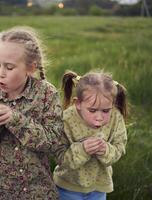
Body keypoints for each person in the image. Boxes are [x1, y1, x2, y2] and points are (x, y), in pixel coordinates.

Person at [0, 26, 68, 200]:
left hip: (38, 192)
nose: (0, 74)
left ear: (30, 68)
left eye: (9, 67)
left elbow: (53, 142)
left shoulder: (47, 94)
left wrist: (14, 119)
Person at [53, 70, 128, 200]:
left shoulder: (115, 117)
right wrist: (82, 150)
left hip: (99, 188)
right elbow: (59, 156)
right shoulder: (66, 119)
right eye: (92, 110)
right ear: (78, 104)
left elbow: (120, 146)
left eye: (105, 111)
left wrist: (106, 150)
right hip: (68, 187)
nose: (99, 117)